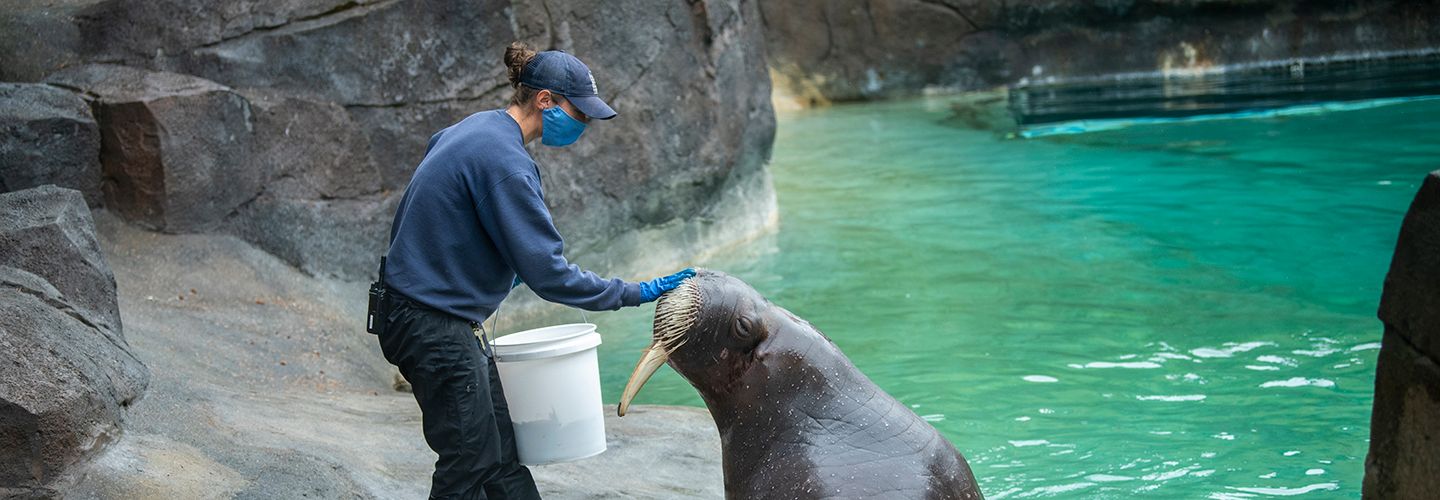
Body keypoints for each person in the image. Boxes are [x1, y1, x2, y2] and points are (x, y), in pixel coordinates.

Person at [376, 41, 695, 499]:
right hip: (432, 324)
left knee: (502, 452)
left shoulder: (474, 129)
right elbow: (550, 275)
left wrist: (496, 263)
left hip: (428, 314)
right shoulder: (506, 163)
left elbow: (441, 216)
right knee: (470, 459)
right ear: (544, 100)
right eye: (578, 112)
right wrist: (637, 291)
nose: (583, 123)